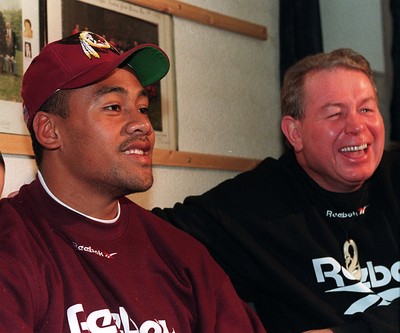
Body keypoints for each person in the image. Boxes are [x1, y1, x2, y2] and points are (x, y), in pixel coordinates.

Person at [0, 31, 265, 332]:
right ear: (49, 130)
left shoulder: (183, 255)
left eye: (142, 108)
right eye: (113, 107)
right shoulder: (11, 247)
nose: (143, 125)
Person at [153, 48, 400, 333]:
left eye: (366, 109)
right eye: (334, 114)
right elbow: (141, 237)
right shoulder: (253, 204)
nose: (357, 126)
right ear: (295, 133)